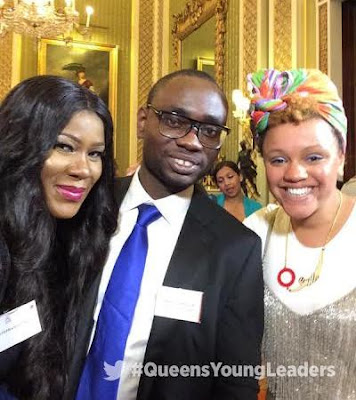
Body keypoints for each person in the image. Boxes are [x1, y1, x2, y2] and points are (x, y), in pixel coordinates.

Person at [68, 69, 264, 400]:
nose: (192, 141)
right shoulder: (85, 206)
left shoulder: (235, 248)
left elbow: (236, 380)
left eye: (210, 130)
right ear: (143, 121)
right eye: (175, 121)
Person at [0, 75, 118, 400]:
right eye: (64, 146)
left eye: (96, 154)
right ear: (22, 144)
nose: (84, 169)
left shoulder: (74, 239)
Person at [243, 68, 356, 400]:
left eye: (314, 157)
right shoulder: (255, 234)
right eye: (278, 159)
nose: (294, 173)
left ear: (341, 157)